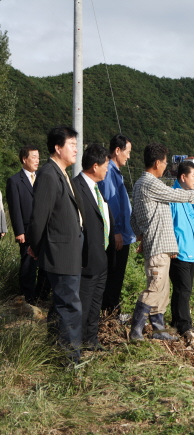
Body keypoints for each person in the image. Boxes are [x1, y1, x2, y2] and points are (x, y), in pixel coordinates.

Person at [129, 143, 194, 341]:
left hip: (160, 244)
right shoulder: (150, 183)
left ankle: (159, 330)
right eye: (165, 162)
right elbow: (173, 195)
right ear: (157, 163)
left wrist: (140, 234)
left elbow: (134, 217)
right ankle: (136, 330)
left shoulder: (143, 183)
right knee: (155, 287)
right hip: (158, 245)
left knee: (163, 291)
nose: (166, 166)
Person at [26, 126, 84, 364]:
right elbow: (39, 217)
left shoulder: (61, 173)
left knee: (61, 307)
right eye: (72, 145)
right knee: (70, 307)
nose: (76, 150)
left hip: (68, 251)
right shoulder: (49, 174)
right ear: (57, 147)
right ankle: (69, 360)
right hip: (60, 253)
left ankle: (53, 353)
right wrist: (36, 248)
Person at [73, 144, 115, 351]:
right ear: (95, 165)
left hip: (101, 257)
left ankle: (91, 340)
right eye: (106, 165)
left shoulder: (96, 189)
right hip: (86, 257)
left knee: (95, 304)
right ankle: (77, 345)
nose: (107, 169)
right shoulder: (76, 187)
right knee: (83, 303)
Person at [6, 145, 51, 303]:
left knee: (45, 264)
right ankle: (27, 297)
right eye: (34, 157)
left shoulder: (42, 177)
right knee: (28, 265)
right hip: (26, 230)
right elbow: (14, 208)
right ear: (24, 159)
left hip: (44, 229)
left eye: (38, 157)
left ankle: (42, 295)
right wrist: (19, 231)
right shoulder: (14, 181)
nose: (37, 160)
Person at [97, 134, 136, 314]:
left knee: (116, 276)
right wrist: (117, 231)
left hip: (122, 233)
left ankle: (112, 309)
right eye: (127, 152)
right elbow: (111, 205)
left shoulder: (115, 173)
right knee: (113, 275)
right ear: (117, 150)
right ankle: (109, 311)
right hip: (117, 235)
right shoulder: (110, 173)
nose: (129, 156)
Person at [169, 161, 194, 340]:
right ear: (183, 177)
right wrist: (172, 246)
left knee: (184, 289)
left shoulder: (188, 197)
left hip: (191, 250)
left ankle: (177, 323)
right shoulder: (174, 196)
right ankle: (185, 326)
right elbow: (169, 223)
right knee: (183, 289)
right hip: (180, 250)